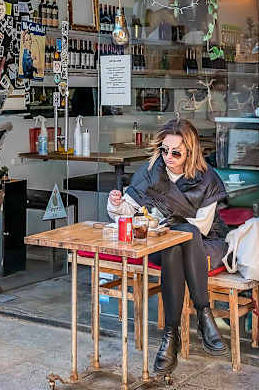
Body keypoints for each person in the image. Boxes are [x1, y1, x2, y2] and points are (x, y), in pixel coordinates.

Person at [108, 118, 230, 375]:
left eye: (176, 152)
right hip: (163, 242)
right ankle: (204, 314)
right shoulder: (151, 171)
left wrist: (167, 222)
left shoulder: (207, 178)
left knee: (182, 236)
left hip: (204, 244)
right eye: (164, 150)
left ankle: (170, 336)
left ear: (190, 152)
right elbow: (126, 212)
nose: (168, 156)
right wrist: (117, 203)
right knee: (174, 241)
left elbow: (203, 227)